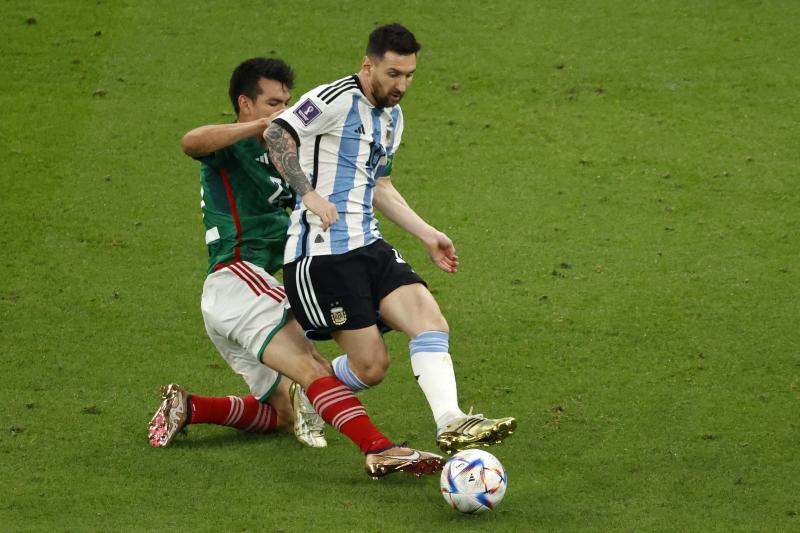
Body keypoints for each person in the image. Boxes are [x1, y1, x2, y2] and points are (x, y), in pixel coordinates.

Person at [147, 57, 444, 479]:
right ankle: (379, 448)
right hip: (240, 277)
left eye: (285, 102)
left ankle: (191, 407)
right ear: (244, 102)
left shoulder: (292, 147)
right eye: (271, 102)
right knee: (314, 369)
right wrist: (260, 127)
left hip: (264, 288)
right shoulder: (232, 143)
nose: (281, 111)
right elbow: (191, 141)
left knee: (288, 413)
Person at [264, 24, 517, 455]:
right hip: (322, 255)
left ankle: (451, 421)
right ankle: (307, 387)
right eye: (393, 74)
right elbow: (276, 133)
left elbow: (378, 184)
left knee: (430, 321)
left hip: (370, 245)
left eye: (410, 75)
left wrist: (427, 233)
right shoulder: (335, 98)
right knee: (372, 366)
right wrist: (308, 194)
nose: (402, 85)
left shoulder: (392, 117)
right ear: (368, 65)